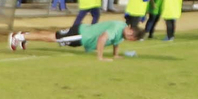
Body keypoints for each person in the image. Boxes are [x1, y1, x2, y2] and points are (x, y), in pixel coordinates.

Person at [12, 19, 141, 60]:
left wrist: (116, 54)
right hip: (81, 35)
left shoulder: (122, 30)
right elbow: (102, 38)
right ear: (130, 29)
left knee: (53, 35)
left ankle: (25, 35)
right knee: (52, 38)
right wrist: (100, 57)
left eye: (131, 37)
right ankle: (18, 37)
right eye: (130, 34)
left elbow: (116, 42)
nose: (128, 36)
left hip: (81, 33)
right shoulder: (117, 27)